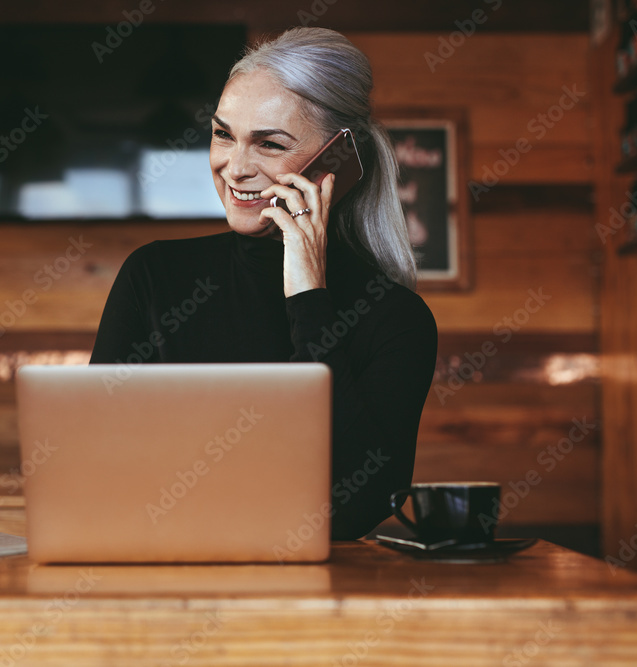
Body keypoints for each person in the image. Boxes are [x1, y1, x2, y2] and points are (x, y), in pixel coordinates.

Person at [90, 27, 437, 540]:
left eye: (269, 144)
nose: (235, 167)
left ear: (336, 161)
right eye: (223, 134)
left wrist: (308, 296)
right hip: (161, 568)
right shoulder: (153, 276)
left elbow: (356, 505)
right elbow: (95, 466)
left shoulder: (396, 318)